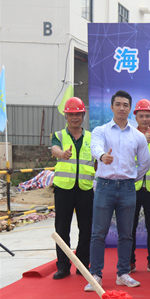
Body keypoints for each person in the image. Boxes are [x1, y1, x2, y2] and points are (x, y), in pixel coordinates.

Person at [87, 90, 150, 292]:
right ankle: (95, 275)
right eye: (118, 104)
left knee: (126, 234)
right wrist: (102, 156)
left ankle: (123, 273)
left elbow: (145, 163)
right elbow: (95, 147)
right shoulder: (101, 131)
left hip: (127, 188)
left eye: (125, 105)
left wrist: (131, 179)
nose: (122, 108)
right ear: (112, 107)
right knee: (98, 233)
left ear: (130, 109)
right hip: (104, 186)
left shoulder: (138, 136)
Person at [51, 97, 94, 280]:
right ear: (66, 116)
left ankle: (83, 265)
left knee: (86, 228)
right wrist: (63, 154)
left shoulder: (91, 137)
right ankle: (63, 266)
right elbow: (54, 149)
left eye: (78, 114)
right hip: (64, 189)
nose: (75, 118)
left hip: (85, 188)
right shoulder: (59, 135)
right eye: (71, 115)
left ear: (83, 115)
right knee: (62, 228)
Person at [129, 99, 150, 275]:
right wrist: (141, 141)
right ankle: (130, 261)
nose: (144, 119)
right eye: (141, 116)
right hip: (132, 189)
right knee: (130, 227)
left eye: (147, 116)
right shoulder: (129, 135)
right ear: (135, 117)